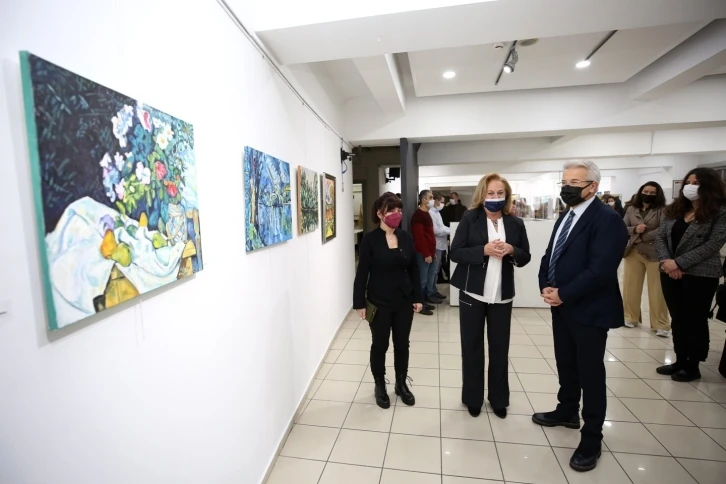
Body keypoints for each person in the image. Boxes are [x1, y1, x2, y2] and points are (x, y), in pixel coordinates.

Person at [533, 160, 628, 473]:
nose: (567, 187)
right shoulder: (567, 215)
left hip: (589, 308)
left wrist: (564, 293)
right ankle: (567, 410)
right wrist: (546, 285)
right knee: (566, 362)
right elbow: (551, 254)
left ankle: (592, 437)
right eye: (564, 182)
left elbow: (600, 270)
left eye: (575, 182)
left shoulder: (608, 220)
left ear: (593, 186)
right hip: (561, 306)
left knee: (590, 372)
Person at [450, 174, 531, 419]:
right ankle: (472, 397)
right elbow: (455, 252)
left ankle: (498, 399)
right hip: (472, 293)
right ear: (482, 195)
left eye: (500, 193)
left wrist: (512, 250)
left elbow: (525, 256)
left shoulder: (515, 223)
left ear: (506, 195)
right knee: (472, 348)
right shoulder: (470, 218)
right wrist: (483, 250)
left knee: (499, 349)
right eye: (490, 193)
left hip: (501, 296)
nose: (495, 197)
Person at [353, 192, 424, 409]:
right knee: (380, 344)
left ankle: (401, 383)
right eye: (391, 210)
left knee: (402, 344)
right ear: (379, 214)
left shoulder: (406, 237)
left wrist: (418, 296)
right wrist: (359, 302)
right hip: (379, 301)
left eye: (399, 210)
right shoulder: (370, 240)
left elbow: (413, 268)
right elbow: (362, 272)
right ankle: (379, 385)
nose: (397, 214)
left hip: (404, 300)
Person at [655, 168, 726, 382]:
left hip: (700, 274)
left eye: (696, 183)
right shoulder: (674, 209)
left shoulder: (719, 212)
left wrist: (678, 262)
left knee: (695, 319)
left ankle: (693, 364)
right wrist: (667, 262)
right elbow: (660, 237)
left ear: (709, 186)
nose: (690, 186)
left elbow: (713, 244)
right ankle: (679, 359)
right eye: (688, 182)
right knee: (678, 318)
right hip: (669, 272)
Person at [622, 182, 671, 336]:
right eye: (645, 191)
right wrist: (635, 229)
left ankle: (661, 324)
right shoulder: (631, 209)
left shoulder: (663, 210)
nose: (648, 195)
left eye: (652, 193)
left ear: (658, 195)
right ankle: (630, 317)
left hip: (655, 253)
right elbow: (622, 227)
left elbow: (664, 229)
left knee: (657, 290)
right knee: (630, 287)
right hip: (634, 252)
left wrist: (643, 236)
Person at [411, 190, 440, 312]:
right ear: (423, 200)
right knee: (422, 280)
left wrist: (433, 253)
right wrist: (426, 253)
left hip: (429, 252)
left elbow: (429, 236)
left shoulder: (426, 214)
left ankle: (425, 300)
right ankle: (419, 304)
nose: (433, 200)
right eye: (431, 197)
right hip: (422, 253)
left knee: (428, 277)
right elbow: (419, 237)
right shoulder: (418, 215)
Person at [429, 192, 450, 293]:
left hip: (441, 245)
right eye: (441, 202)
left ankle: (434, 290)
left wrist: (450, 229)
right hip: (436, 245)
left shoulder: (437, 212)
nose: (442, 204)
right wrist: (450, 231)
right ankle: (431, 292)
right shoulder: (431, 213)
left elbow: (442, 227)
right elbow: (436, 230)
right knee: (434, 270)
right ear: (436, 201)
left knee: (436, 270)